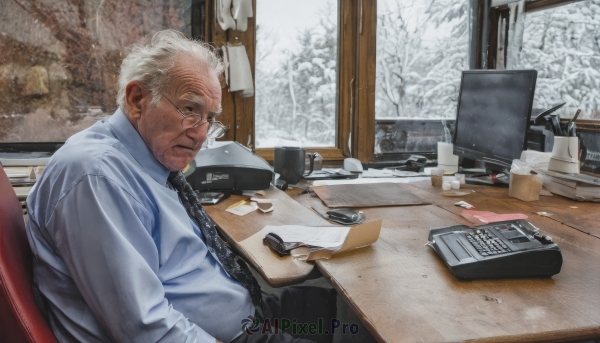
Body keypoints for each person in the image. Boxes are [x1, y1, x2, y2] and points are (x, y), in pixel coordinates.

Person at [26, 30, 339, 343]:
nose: (201, 134)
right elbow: (145, 327)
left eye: (209, 118)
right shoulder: (97, 176)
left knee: (342, 313)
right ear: (137, 100)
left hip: (245, 318)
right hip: (218, 337)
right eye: (190, 110)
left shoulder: (149, 162)